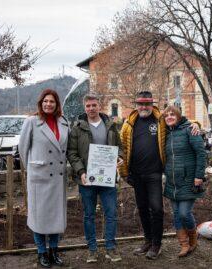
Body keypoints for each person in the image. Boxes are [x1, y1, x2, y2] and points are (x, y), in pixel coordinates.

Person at [119, 91, 199, 260]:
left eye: (147, 104)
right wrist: (124, 172)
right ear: (136, 105)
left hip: (154, 173)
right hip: (136, 174)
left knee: (156, 209)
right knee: (142, 209)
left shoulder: (160, 120)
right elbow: (123, 148)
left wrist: (196, 123)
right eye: (140, 104)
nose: (143, 107)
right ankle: (148, 241)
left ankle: (157, 244)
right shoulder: (129, 124)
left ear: (152, 104)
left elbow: (180, 121)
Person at [67, 94, 123, 263]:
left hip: (107, 178)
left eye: (94, 105)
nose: (91, 108)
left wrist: (119, 157)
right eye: (88, 106)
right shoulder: (77, 128)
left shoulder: (111, 126)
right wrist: (81, 171)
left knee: (111, 214)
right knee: (89, 215)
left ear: (100, 106)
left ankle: (110, 248)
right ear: (85, 108)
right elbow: (72, 153)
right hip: (87, 179)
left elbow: (118, 147)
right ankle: (92, 249)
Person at [19, 89, 69, 268]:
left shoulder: (63, 122)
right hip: (39, 179)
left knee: (55, 218)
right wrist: (33, 168)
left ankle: (54, 251)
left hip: (57, 178)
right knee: (39, 218)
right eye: (45, 101)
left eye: (52, 102)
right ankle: (41, 252)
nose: (48, 104)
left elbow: (66, 149)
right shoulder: (32, 122)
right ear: (40, 103)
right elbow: (23, 150)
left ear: (57, 104)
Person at [162, 105, 206, 257]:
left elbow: (201, 153)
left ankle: (193, 239)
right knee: (176, 214)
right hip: (172, 181)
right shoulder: (165, 133)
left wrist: (199, 176)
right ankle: (184, 244)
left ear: (179, 116)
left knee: (184, 213)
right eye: (166, 115)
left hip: (188, 180)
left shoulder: (190, 130)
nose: (169, 117)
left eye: (172, 114)